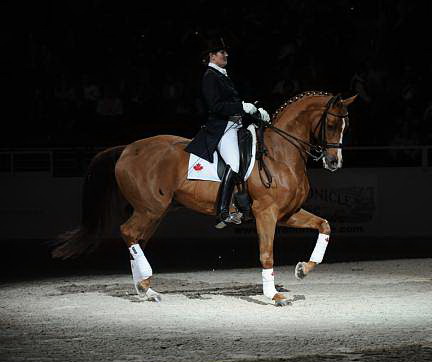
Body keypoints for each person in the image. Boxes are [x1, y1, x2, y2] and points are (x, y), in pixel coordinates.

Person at [185, 36, 271, 228]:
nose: (226, 55)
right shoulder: (210, 76)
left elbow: (234, 107)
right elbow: (216, 106)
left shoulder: (222, 75)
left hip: (236, 126)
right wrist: (243, 107)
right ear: (212, 56)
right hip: (222, 128)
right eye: (222, 52)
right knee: (234, 163)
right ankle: (223, 211)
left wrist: (255, 111)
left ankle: (243, 205)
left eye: (225, 52)